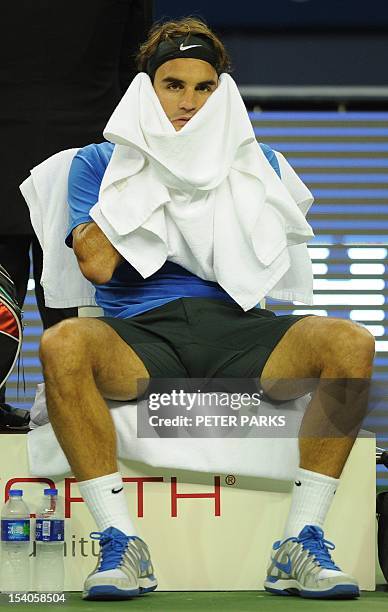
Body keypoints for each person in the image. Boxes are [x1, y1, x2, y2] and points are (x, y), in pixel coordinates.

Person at [38, 17, 375, 601]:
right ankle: (122, 542)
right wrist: (154, 167)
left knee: (351, 341)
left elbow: (261, 268)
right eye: (173, 85)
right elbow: (96, 266)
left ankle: (301, 541)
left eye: (204, 87)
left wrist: (204, 165)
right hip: (140, 336)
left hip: (239, 329)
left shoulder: (255, 160)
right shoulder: (98, 163)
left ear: (224, 94)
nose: (188, 102)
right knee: (61, 343)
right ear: (146, 88)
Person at [0, 0, 153, 413]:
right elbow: (135, 71)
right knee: (76, 298)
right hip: (84, 160)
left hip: (14, 152)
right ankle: (76, 414)